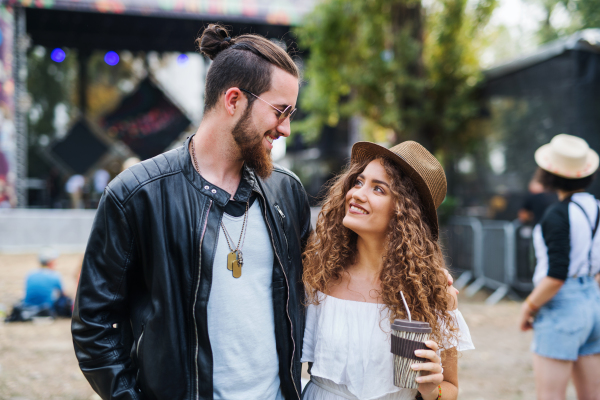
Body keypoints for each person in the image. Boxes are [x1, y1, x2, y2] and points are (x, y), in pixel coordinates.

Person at [72, 24, 312, 400]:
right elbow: (93, 325)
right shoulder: (136, 194)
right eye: (280, 112)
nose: (286, 129)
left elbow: (323, 281)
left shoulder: (287, 191)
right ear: (233, 100)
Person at [301, 141, 474, 400]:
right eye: (358, 182)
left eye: (378, 189)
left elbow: (449, 389)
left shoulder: (429, 292)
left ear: (404, 213)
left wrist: (431, 389)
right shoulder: (318, 274)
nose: (356, 194)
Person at [518, 133, 600, 400]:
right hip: (593, 302)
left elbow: (556, 275)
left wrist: (529, 306)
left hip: (562, 306)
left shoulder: (557, 213)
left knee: (550, 395)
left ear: (549, 172)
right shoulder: (596, 207)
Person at [6, 247, 72, 321]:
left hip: (27, 306)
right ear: (50, 262)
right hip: (46, 307)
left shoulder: (30, 274)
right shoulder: (55, 275)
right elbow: (63, 294)